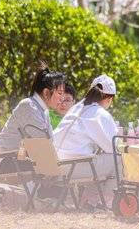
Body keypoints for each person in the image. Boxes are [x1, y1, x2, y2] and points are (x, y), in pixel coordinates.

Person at [52, 74, 118, 207]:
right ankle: (104, 202)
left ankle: (90, 200)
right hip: (73, 167)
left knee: (96, 160)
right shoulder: (99, 113)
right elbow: (113, 147)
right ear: (110, 98)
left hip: (56, 165)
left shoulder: (75, 108)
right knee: (120, 160)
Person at [0, 66, 68, 174]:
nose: (62, 99)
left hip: (23, 163)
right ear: (46, 93)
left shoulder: (44, 111)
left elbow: (49, 146)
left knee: (61, 171)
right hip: (9, 163)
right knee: (61, 173)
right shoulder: (29, 106)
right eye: (60, 93)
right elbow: (44, 144)